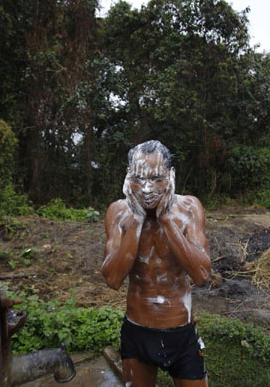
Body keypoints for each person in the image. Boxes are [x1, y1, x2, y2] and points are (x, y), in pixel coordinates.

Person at [103, 140, 211, 387]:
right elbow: (112, 279)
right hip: (137, 333)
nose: (147, 188)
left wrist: (165, 219)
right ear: (127, 178)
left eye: (157, 178)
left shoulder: (189, 208)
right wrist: (138, 220)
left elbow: (202, 275)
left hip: (180, 333)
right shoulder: (118, 212)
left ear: (172, 176)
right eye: (139, 179)